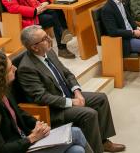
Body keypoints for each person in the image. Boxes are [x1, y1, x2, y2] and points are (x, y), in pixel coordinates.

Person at [17, 25, 125, 153]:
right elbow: (42, 97)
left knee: (100, 98)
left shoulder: (48, 52)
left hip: (68, 95)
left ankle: (103, 141)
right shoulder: (26, 68)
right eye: (45, 38)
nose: (50, 39)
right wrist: (72, 102)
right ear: (34, 47)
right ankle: (96, 150)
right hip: (54, 109)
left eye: (47, 35)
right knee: (89, 114)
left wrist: (77, 92)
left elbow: (67, 73)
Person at [0, 52, 88, 153]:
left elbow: (18, 112)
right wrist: (32, 138)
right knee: (75, 133)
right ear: (0, 77)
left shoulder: (2, 89)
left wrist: (38, 124)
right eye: (11, 68)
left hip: (26, 139)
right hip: (19, 146)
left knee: (76, 150)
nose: (15, 68)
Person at [1, 0, 75, 59]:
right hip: (29, 17)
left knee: (58, 10)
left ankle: (64, 32)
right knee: (54, 18)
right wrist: (34, 11)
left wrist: (45, 2)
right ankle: (62, 47)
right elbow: (12, 7)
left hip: (40, 10)